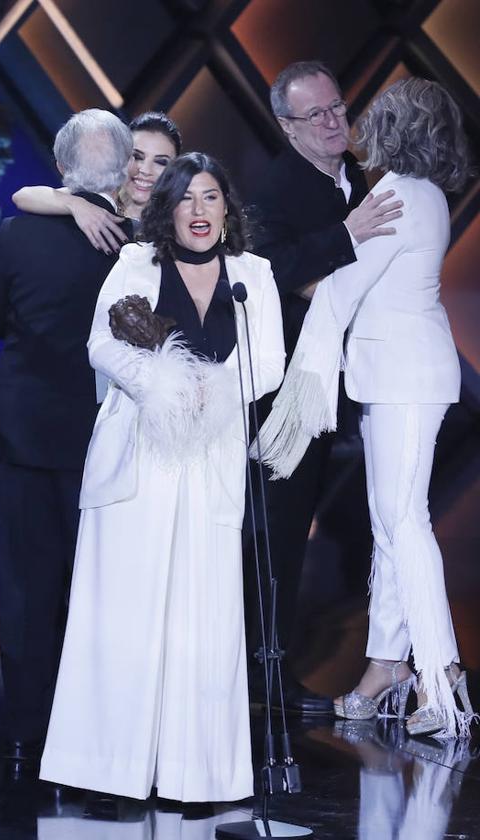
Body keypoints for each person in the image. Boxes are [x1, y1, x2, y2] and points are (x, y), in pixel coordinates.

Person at [40, 153, 285, 802]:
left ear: (227, 207)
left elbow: (270, 363)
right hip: (140, 454)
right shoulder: (136, 263)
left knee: (202, 621)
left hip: (210, 458)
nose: (200, 211)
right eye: (187, 199)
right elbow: (103, 343)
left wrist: (211, 391)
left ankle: (194, 776)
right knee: (122, 616)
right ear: (167, 210)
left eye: (210, 197)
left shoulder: (253, 276)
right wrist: (165, 385)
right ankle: (105, 775)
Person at [255, 78, 475, 740]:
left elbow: (340, 296)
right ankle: (385, 666)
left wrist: (295, 407)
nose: (351, 122)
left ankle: (441, 681)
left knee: (405, 524)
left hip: (403, 378)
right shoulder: (426, 192)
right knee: (390, 523)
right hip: (399, 375)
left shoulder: (395, 194)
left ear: (395, 127)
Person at [0, 109, 134, 764]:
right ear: (122, 173)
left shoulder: (17, 237)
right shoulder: (136, 248)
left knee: (26, 587)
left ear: (64, 170)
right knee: (98, 588)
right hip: (105, 442)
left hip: (26, 435)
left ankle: (27, 731)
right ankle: (91, 728)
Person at [248, 60, 405, 715]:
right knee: (278, 535)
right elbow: (272, 270)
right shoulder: (276, 186)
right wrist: (346, 236)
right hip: (288, 389)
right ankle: (266, 680)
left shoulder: (360, 177)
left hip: (348, 380)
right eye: (317, 115)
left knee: (312, 532)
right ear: (288, 127)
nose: (336, 122)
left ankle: (280, 671)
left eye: (338, 107)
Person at [10, 111, 181, 240]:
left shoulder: (173, 229)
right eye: (137, 156)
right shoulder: (100, 193)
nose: (145, 169)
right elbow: (23, 196)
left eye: (161, 162)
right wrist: (77, 206)